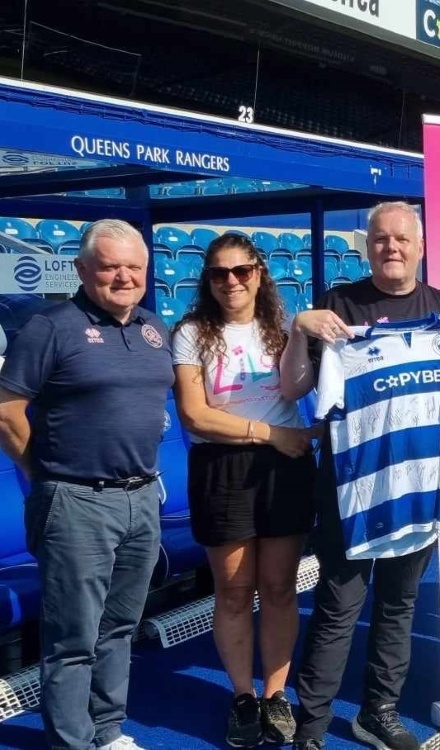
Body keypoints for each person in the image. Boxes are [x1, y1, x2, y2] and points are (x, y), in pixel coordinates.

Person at [279, 202, 440, 750]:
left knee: (399, 605)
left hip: (419, 489)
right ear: (367, 246)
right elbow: (292, 389)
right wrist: (296, 328)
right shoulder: (337, 307)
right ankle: (311, 729)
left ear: (421, 247)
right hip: (349, 491)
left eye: (402, 239)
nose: (392, 248)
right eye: (381, 239)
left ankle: (378, 711)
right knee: (338, 607)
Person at [0, 219, 174, 750]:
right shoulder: (50, 328)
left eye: (135, 267)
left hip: (143, 496)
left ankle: (108, 730)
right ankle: (72, 742)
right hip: (76, 501)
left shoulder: (151, 325)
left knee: (120, 626)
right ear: (82, 269)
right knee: (73, 638)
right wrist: (47, 475)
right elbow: (8, 412)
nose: (124, 277)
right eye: (110, 266)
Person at [171, 233, 318, 747]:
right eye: (218, 273)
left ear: (259, 273)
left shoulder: (282, 328)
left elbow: (316, 386)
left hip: (285, 471)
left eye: (241, 271)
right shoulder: (191, 333)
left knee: (279, 589)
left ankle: (276, 696)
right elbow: (194, 414)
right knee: (234, 592)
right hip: (223, 468)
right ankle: (241, 696)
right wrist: (273, 433)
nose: (230, 281)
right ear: (207, 279)